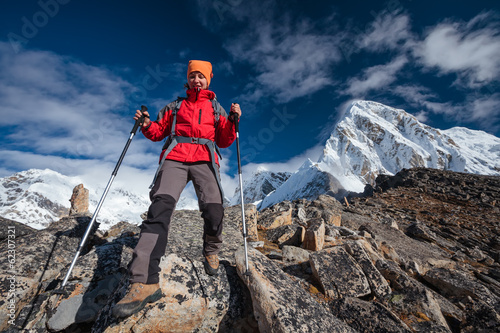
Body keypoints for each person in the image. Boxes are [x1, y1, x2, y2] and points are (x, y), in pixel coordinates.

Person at [112, 60, 241, 318]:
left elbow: (225, 140)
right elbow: (159, 131)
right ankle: (143, 282)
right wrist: (147, 124)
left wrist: (234, 120)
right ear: (188, 78)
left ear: (209, 79)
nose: (196, 80)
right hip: (176, 157)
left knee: (215, 209)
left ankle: (211, 250)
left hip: (205, 158)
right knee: (159, 210)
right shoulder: (175, 105)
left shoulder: (216, 108)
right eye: (192, 75)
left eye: (201, 76)